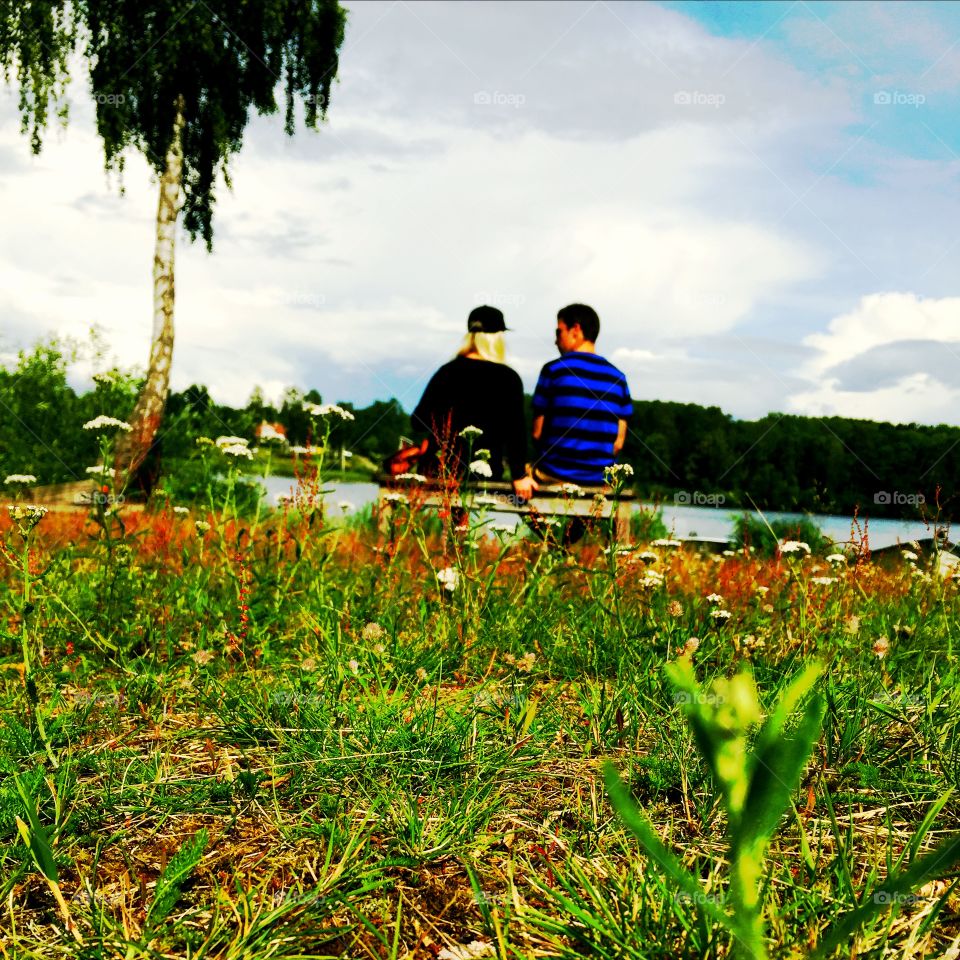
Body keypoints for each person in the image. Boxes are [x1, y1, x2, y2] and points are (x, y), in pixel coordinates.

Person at [411, 305, 537, 501]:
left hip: (440, 471)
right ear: (497, 337)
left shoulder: (446, 372)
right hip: (484, 472)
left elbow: (417, 422)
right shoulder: (508, 378)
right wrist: (519, 475)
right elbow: (515, 433)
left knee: (446, 528)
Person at [531, 303, 632, 486]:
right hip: (599, 481)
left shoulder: (553, 370)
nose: (556, 341)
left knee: (522, 476)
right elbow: (618, 443)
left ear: (576, 330)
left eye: (559, 332)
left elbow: (537, 434)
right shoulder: (618, 378)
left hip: (553, 474)